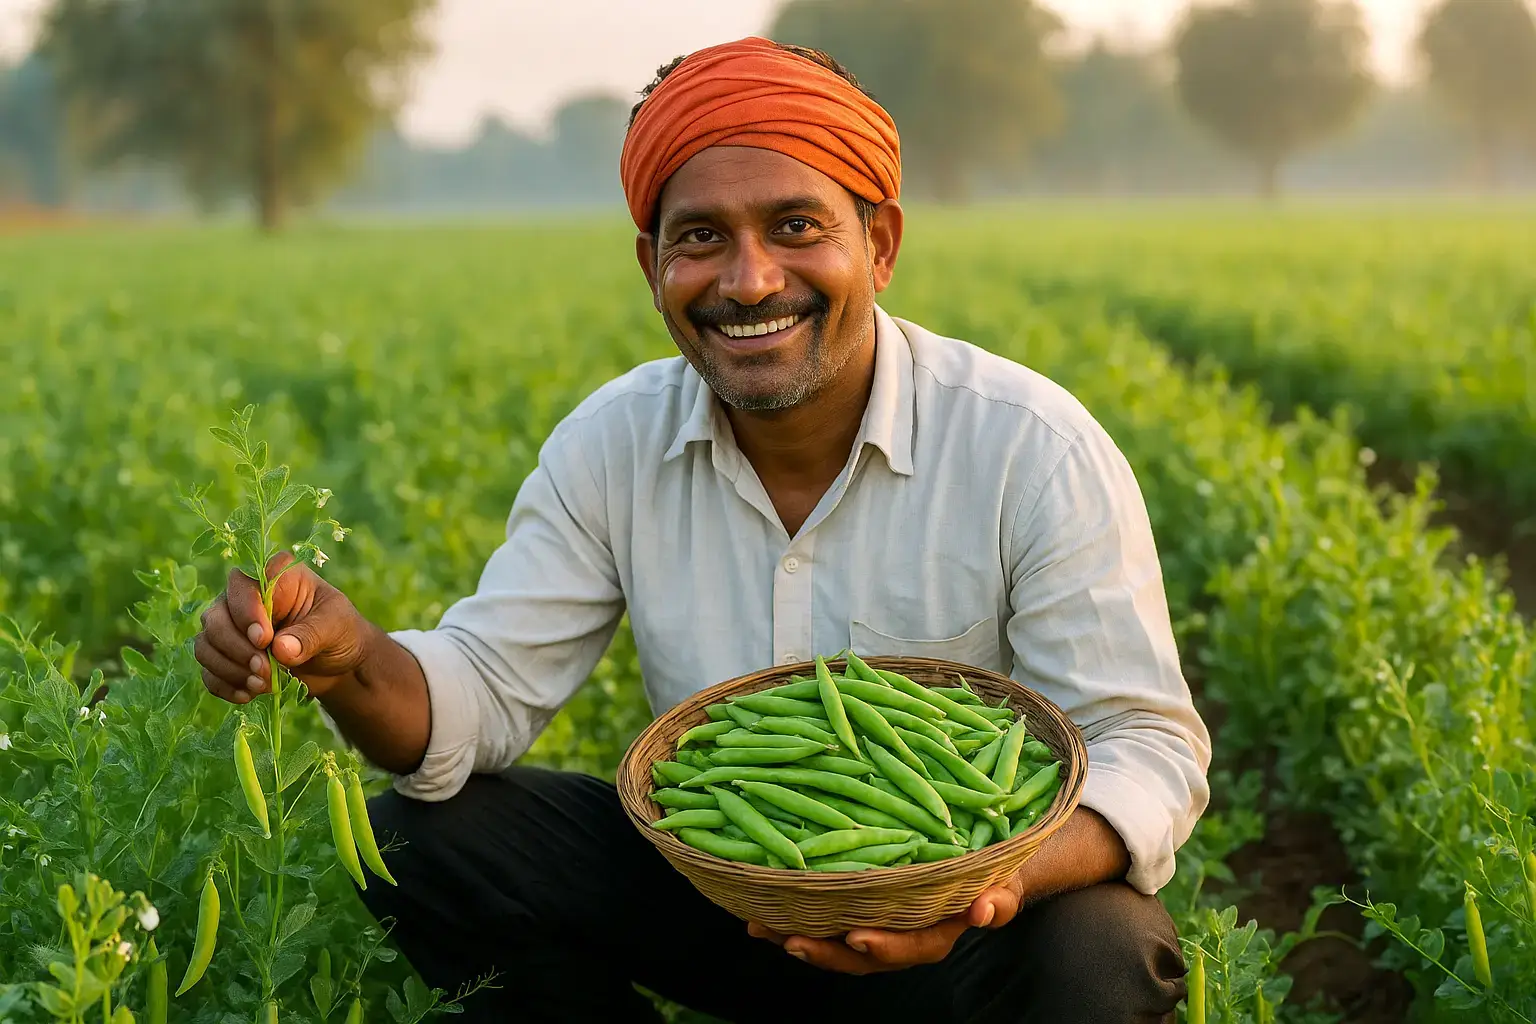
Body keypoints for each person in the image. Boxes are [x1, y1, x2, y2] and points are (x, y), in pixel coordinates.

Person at [192, 37, 1210, 1024]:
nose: (750, 279)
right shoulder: (612, 445)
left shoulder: (1028, 445)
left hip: (958, 927)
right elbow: (482, 694)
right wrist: (347, 658)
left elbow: (1146, 745)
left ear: (882, 244)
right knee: (428, 839)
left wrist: (984, 886)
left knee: (1104, 951)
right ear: (652, 264)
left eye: (798, 228)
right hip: (717, 901)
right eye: (702, 236)